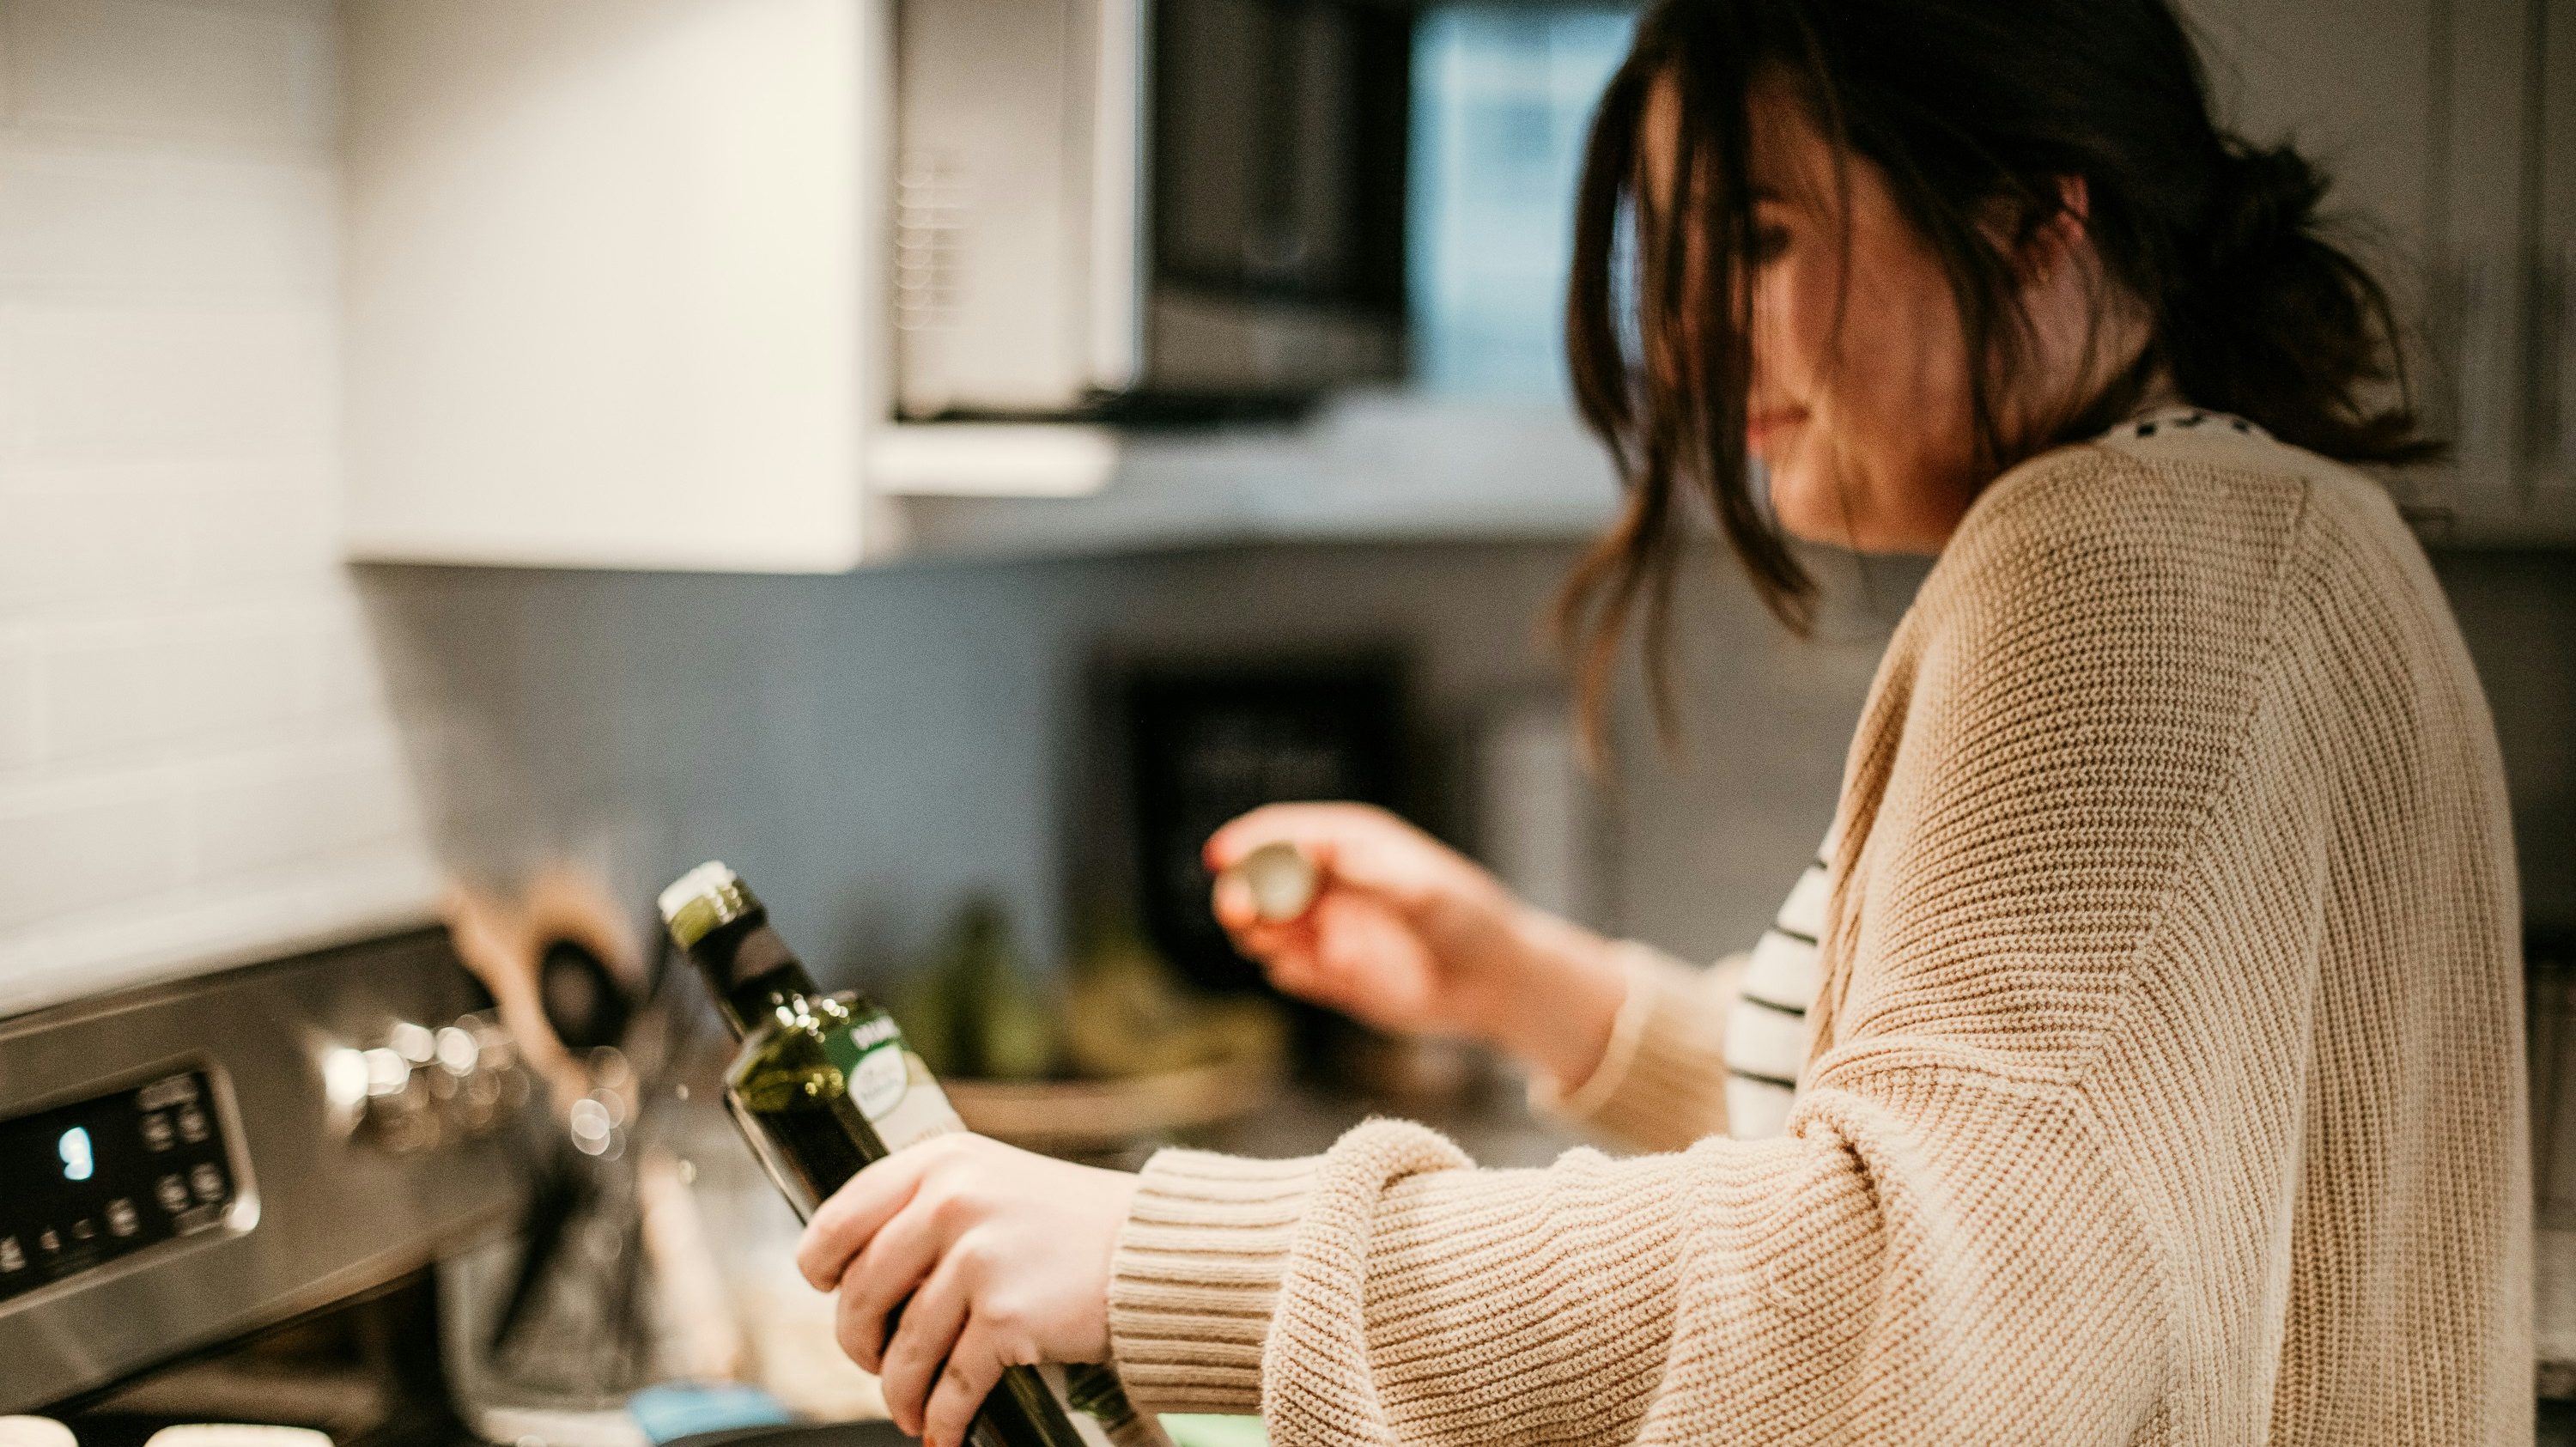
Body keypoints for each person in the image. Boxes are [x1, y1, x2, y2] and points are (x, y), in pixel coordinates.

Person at [793, 0, 2530, 1441]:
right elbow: (2026, 1150)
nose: (1697, 338)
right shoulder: (2280, 530)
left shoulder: (2115, 562)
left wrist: (1167, 1255)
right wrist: (1523, 982)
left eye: (1761, 240)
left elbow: (1902, 1298)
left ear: (2032, 218)